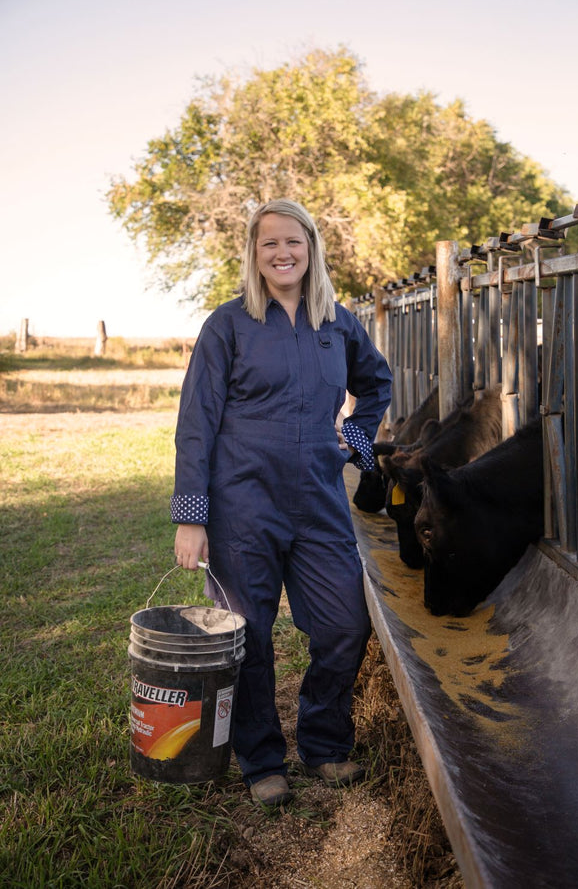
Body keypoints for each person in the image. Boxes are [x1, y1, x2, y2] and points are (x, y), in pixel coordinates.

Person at [172, 199, 392, 807]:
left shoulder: (337, 323)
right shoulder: (229, 324)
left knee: (345, 624)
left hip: (319, 500)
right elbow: (196, 424)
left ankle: (323, 743)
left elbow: (376, 383)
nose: (282, 253)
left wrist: (352, 441)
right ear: (254, 253)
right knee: (250, 637)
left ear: (312, 246)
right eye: (269, 243)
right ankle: (262, 758)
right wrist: (192, 517)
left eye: (292, 241)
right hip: (243, 503)